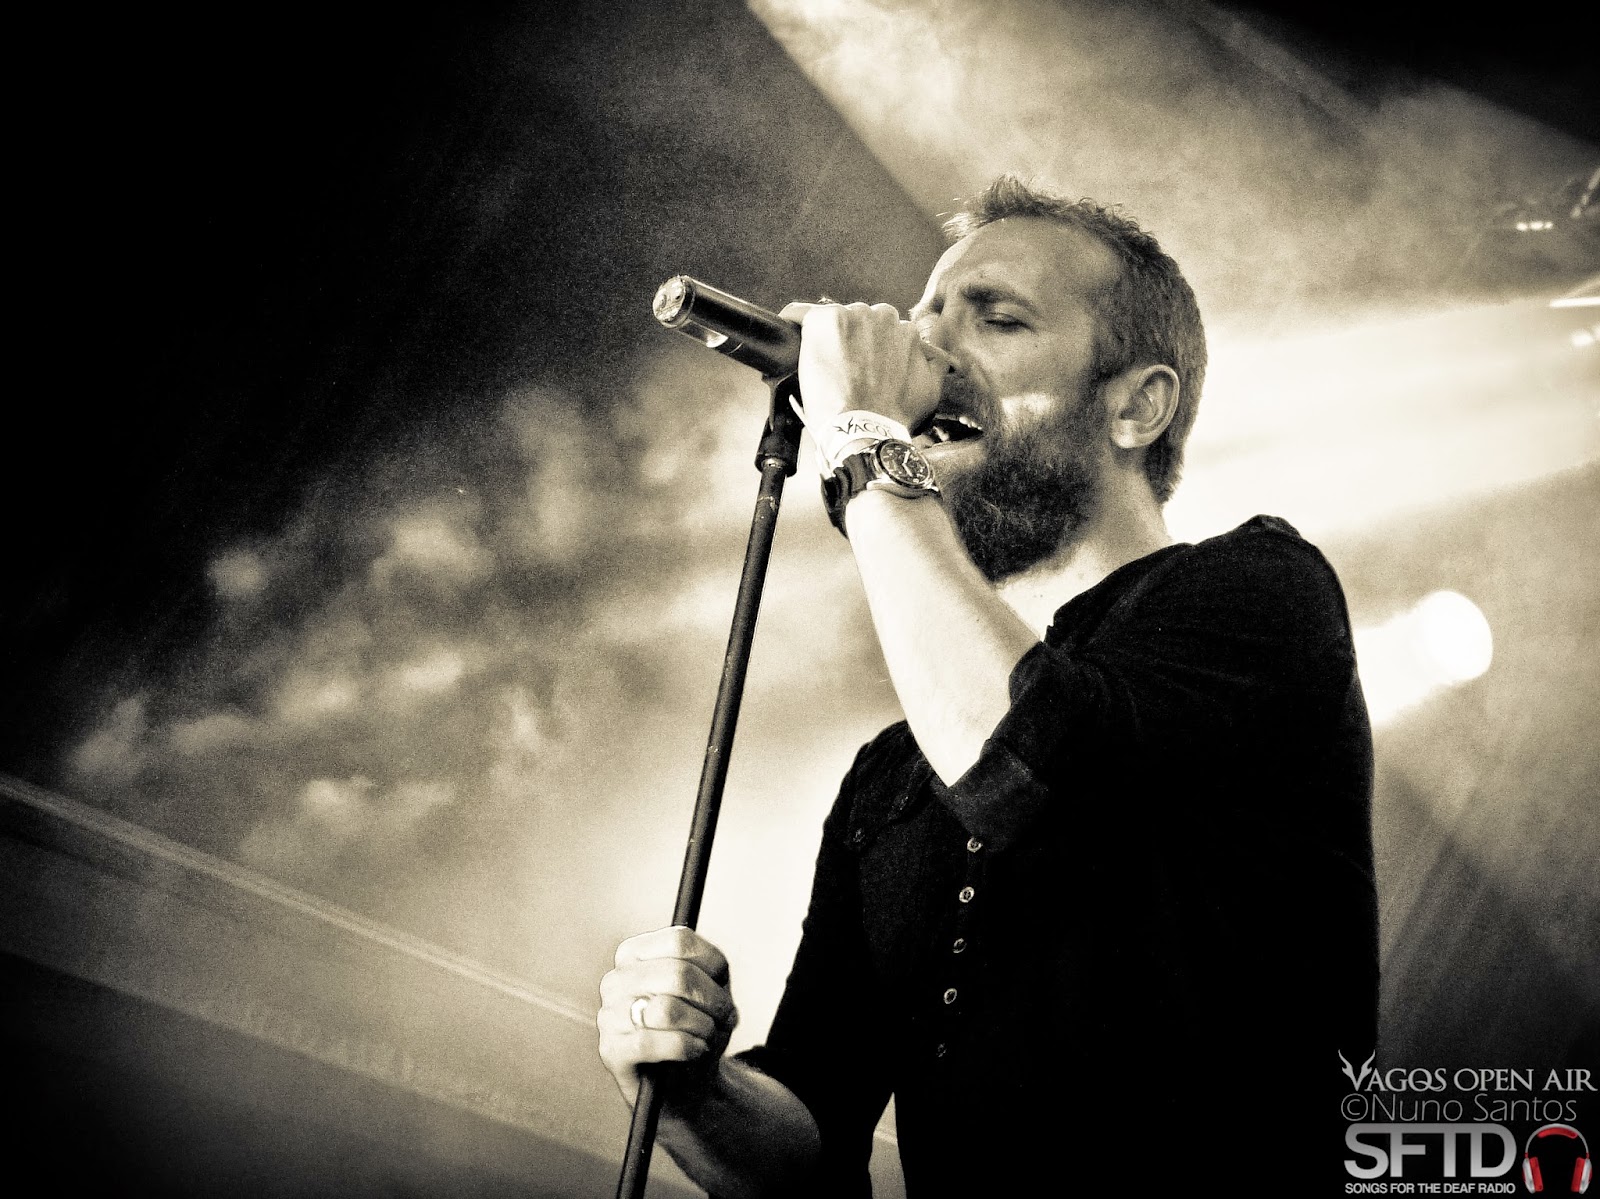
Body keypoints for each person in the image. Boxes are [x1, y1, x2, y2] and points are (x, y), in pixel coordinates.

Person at [598, 176, 1378, 1195]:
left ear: (1136, 405)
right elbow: (811, 1135)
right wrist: (693, 1092)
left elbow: (1021, 761)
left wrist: (864, 434)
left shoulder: (1259, 587)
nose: (928, 350)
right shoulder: (888, 776)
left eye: (997, 319)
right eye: (924, 317)